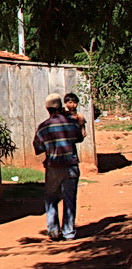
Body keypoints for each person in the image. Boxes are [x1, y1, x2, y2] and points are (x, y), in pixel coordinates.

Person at [33, 93, 84, 240]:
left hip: (53, 167)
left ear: (47, 109)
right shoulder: (71, 123)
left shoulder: (43, 127)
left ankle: (54, 231)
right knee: (70, 199)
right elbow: (79, 138)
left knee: (51, 198)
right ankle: (68, 232)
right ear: (61, 106)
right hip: (71, 166)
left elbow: (38, 148)